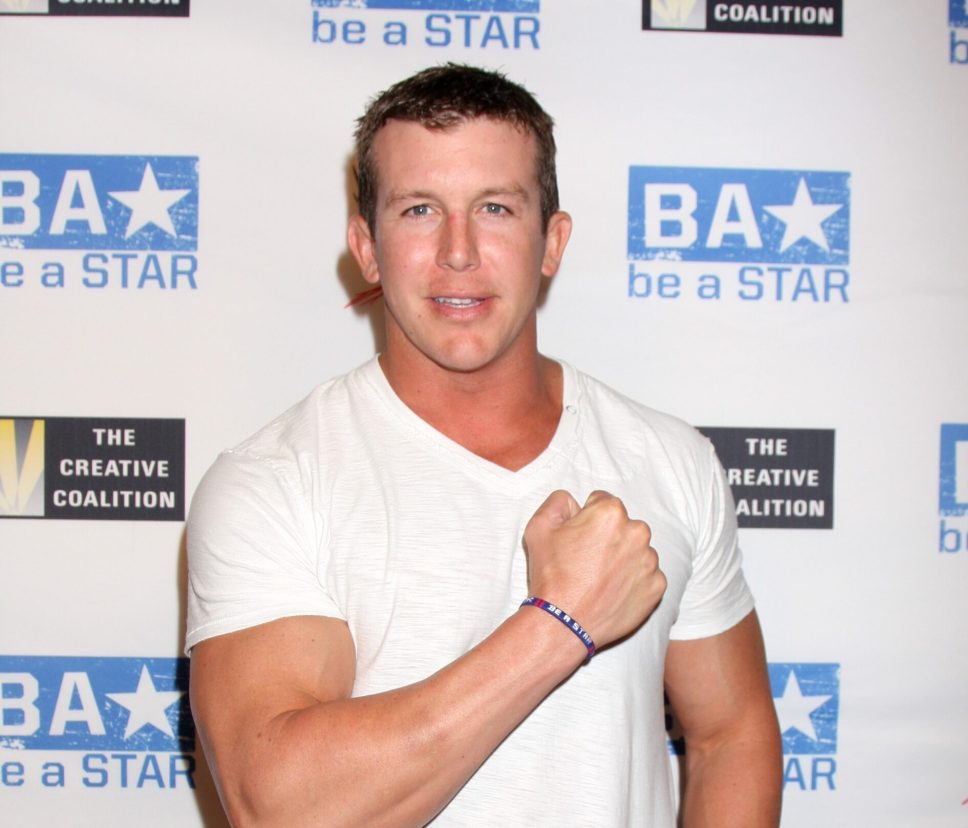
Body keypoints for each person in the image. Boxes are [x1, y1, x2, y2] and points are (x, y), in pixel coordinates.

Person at [185, 63, 782, 827]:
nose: (459, 252)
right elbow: (281, 809)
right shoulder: (273, 482)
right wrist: (559, 622)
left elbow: (732, 733)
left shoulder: (669, 458)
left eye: (496, 207)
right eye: (420, 210)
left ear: (551, 242)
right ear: (367, 248)